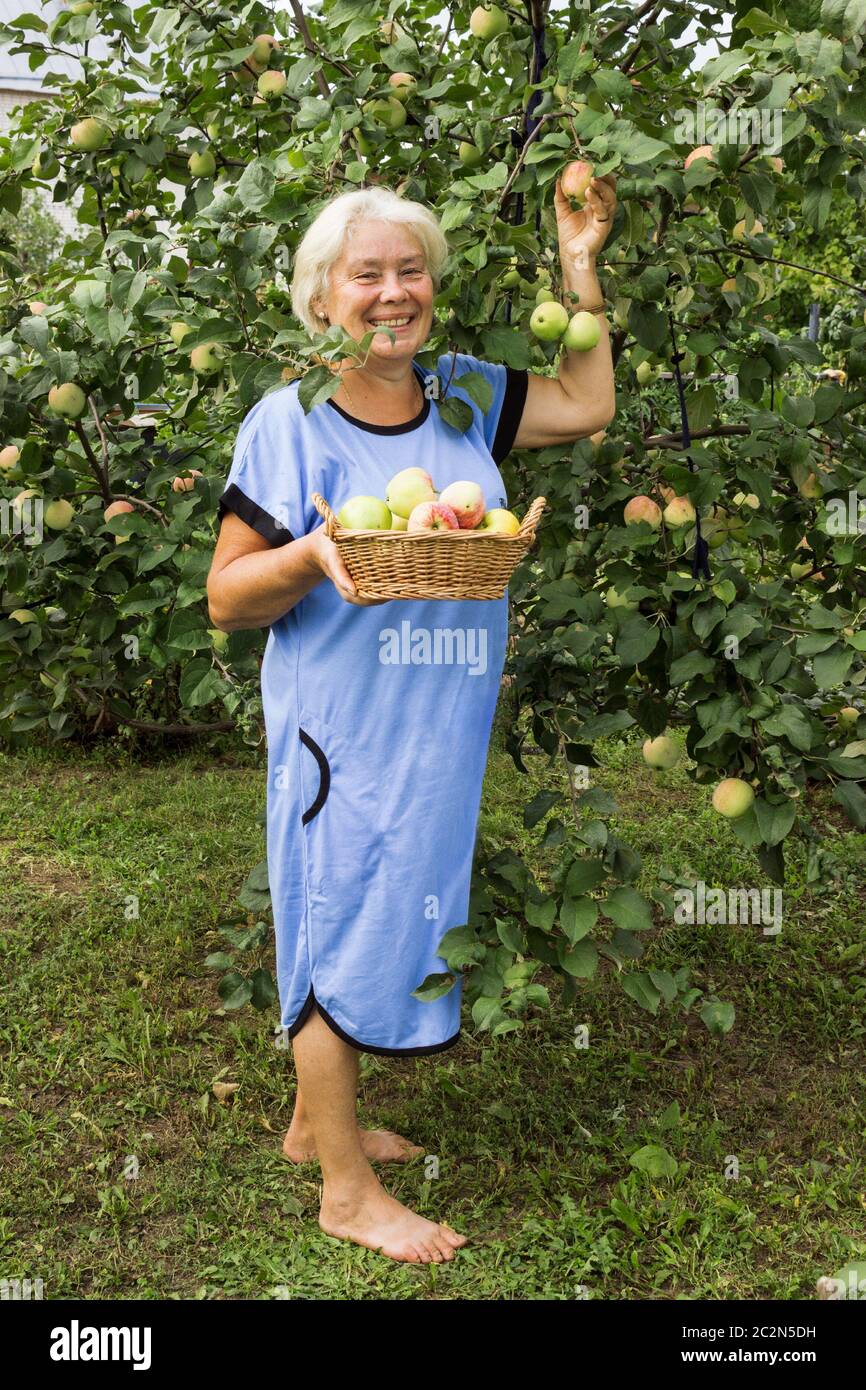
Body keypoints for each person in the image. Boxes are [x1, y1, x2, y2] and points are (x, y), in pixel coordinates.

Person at [207, 174, 616, 1264]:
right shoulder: (286, 424)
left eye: (409, 271)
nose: (393, 294)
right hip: (341, 732)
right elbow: (224, 594)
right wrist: (306, 555)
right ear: (320, 298)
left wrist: (578, 267)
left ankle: (311, 1124)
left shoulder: (465, 396)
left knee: (395, 910)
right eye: (366, 275)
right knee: (340, 916)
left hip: (437, 730)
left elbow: (586, 403)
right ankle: (345, 1193)